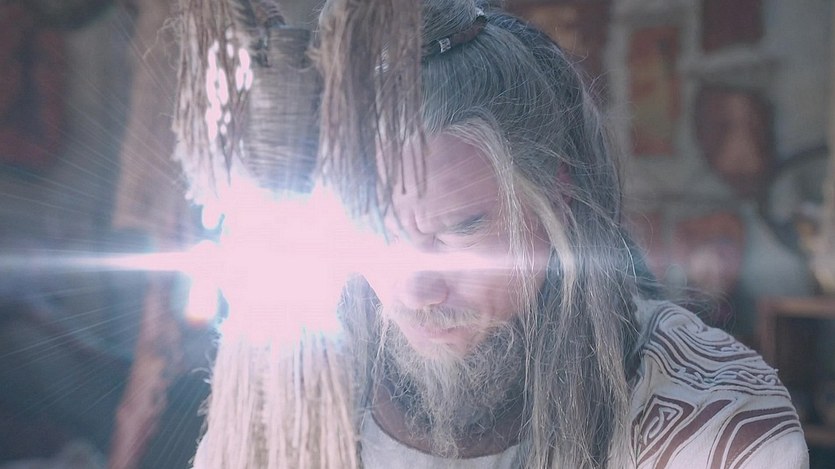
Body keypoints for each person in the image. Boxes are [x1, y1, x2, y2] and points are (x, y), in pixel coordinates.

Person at [190, 0, 809, 467]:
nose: (416, 288)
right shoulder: (285, 398)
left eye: (461, 227)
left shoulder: (712, 423)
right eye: (378, 231)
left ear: (558, 197)